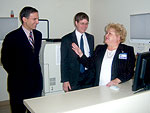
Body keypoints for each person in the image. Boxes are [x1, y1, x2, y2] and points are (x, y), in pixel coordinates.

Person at [1, 6, 43, 113]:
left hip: (36, 85)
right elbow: (5, 61)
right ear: (24, 19)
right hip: (18, 85)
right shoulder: (11, 37)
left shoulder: (38, 35)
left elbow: (35, 58)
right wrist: (19, 74)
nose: (37, 22)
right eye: (34, 19)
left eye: (37, 19)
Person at [61, 12, 94, 92]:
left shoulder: (91, 38)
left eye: (86, 24)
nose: (85, 26)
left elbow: (91, 58)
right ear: (76, 23)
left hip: (89, 77)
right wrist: (65, 80)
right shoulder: (67, 39)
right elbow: (64, 61)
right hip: (74, 77)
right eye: (82, 23)